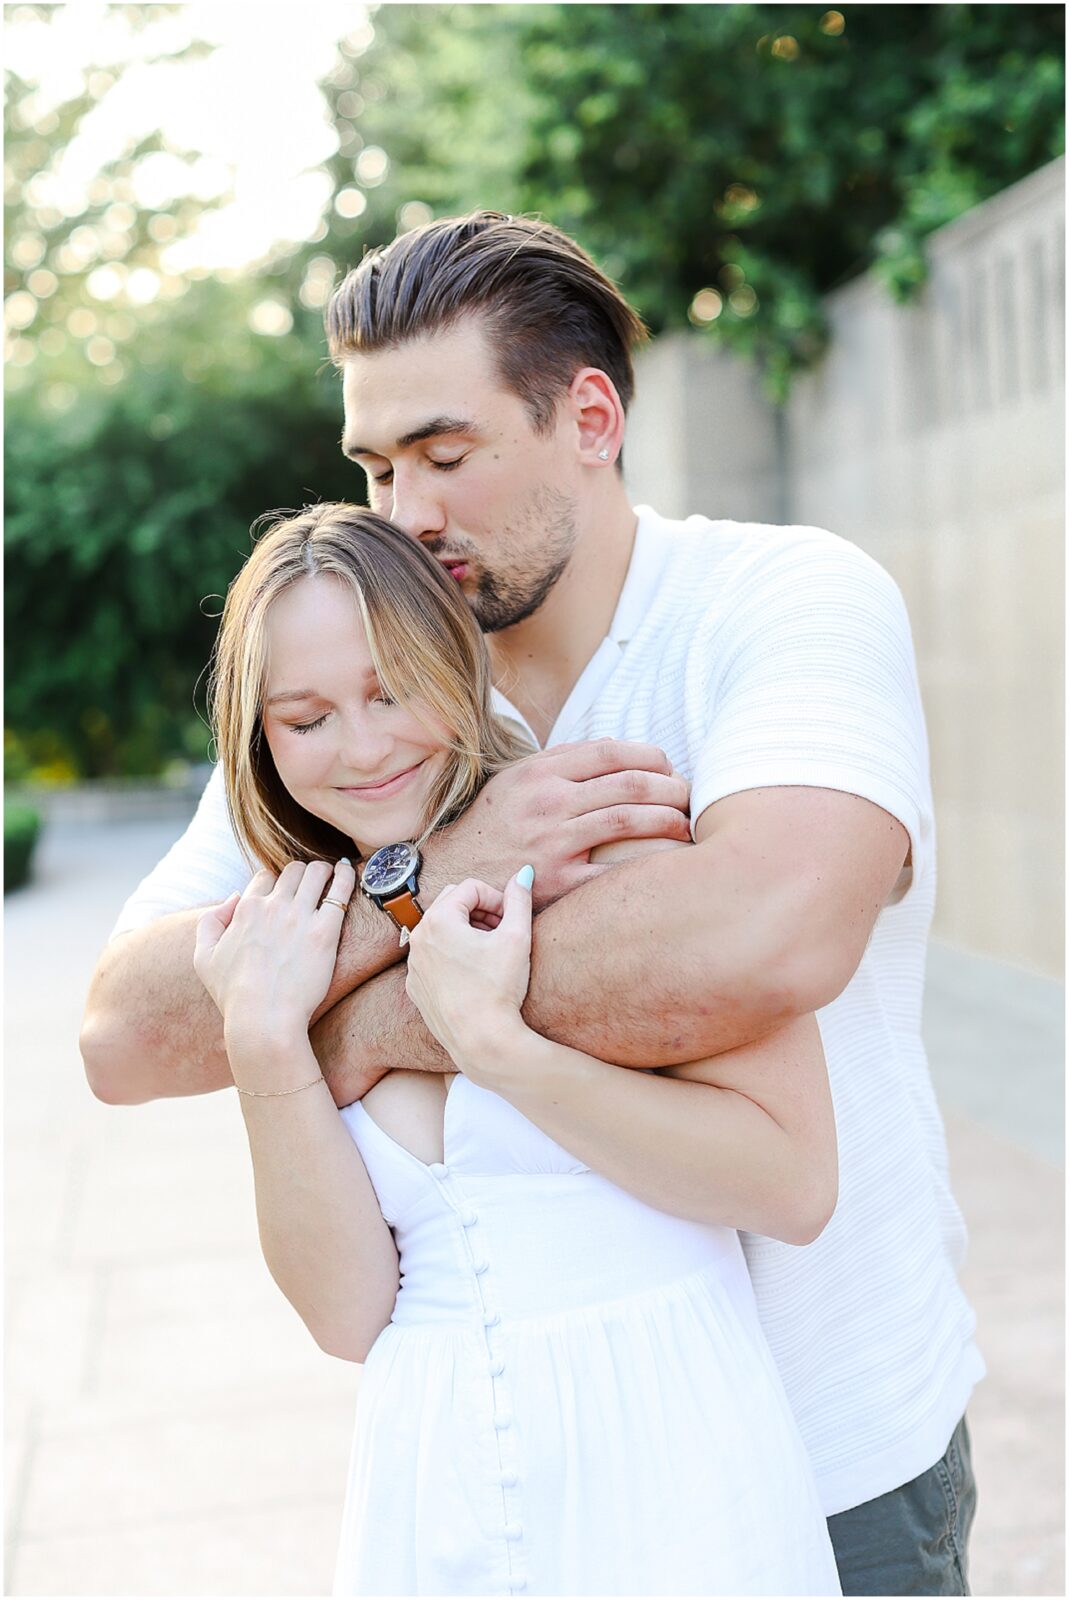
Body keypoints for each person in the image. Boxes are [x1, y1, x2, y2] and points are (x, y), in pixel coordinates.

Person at [81, 211, 981, 1596]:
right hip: (526, 1494)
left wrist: (353, 1013)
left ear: (590, 418)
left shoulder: (777, 602)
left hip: (830, 1459)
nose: (407, 514)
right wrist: (435, 870)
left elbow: (762, 939)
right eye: (376, 467)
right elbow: (128, 1036)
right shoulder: (376, 708)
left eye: (446, 456)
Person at [192, 501, 841, 1594]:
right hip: (431, 1488)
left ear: (454, 661)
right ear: (258, 738)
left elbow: (794, 1184)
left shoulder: (610, 838)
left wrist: (503, 1049)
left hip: (671, 1473)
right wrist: (266, 1050)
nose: (362, 748)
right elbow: (348, 1314)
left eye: (391, 689)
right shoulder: (294, 936)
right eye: (304, 719)